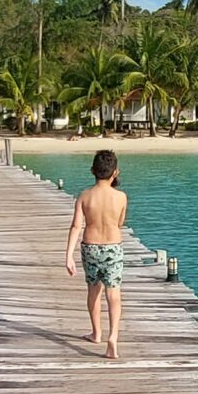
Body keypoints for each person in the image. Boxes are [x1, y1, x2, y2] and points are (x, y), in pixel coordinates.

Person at [63, 149, 130, 358]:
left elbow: (76, 226)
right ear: (115, 172)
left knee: (94, 291)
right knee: (113, 294)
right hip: (113, 247)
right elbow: (120, 222)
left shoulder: (84, 196)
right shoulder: (121, 197)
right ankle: (113, 337)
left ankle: (96, 333)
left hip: (90, 247)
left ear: (92, 170)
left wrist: (69, 256)